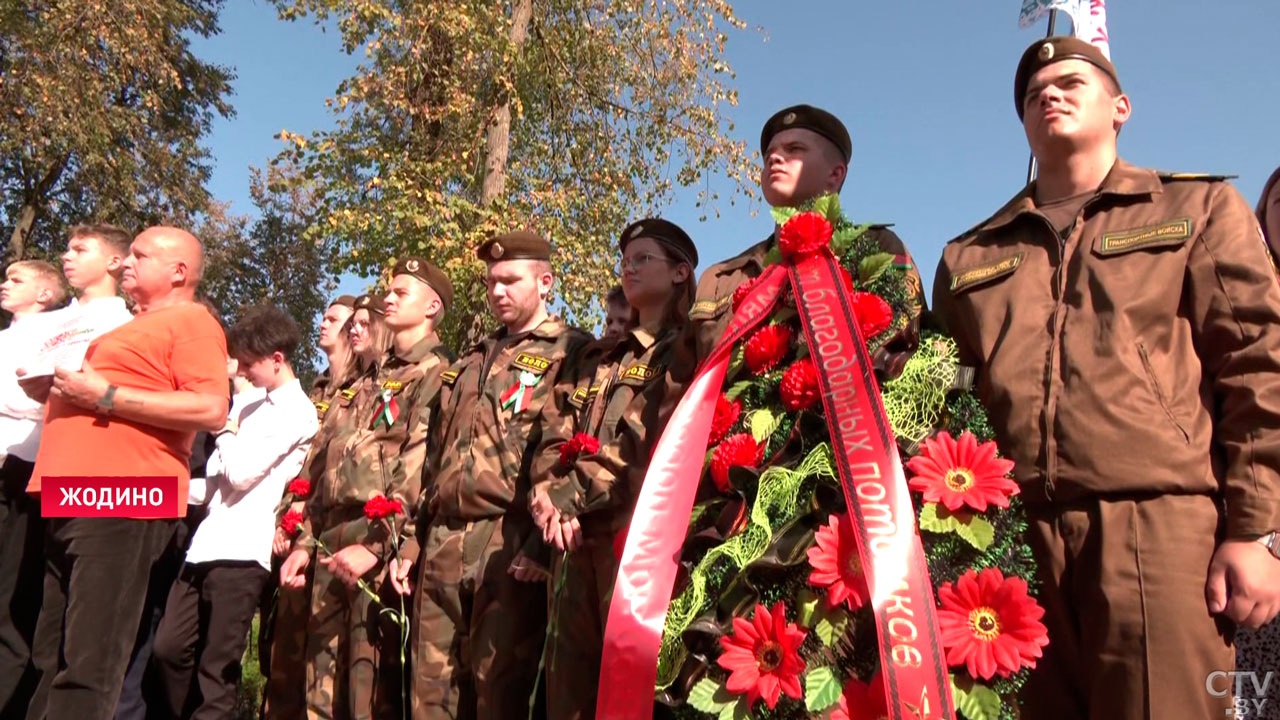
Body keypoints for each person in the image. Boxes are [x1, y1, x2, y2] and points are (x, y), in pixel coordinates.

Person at [931, 37, 1280, 720]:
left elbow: (1257, 367)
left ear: (1120, 107)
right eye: (1033, 94)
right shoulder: (969, 253)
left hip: (1159, 527)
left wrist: (1256, 531)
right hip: (1009, 545)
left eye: (1070, 82)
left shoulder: (1197, 209)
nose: (1048, 94)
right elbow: (950, 407)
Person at [22, 226, 229, 720]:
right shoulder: (125, 329)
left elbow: (211, 409)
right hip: (68, 492)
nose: (127, 262)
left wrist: (106, 397)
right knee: (48, 656)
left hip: (127, 492)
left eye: (140, 254)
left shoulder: (193, 322)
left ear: (179, 272)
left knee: (91, 662)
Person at [411, 231, 590, 720]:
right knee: (431, 696)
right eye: (491, 282)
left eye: (510, 280)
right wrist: (413, 542)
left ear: (545, 282)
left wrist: (538, 545)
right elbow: (433, 455)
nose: (497, 292)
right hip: (443, 539)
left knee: (500, 695)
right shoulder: (471, 358)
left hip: (507, 544)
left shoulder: (571, 351)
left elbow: (567, 447)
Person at [529, 219, 696, 719]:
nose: (629, 266)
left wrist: (567, 498)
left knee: (626, 695)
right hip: (571, 541)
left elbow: (644, 440)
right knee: (567, 695)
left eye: (644, 258)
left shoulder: (681, 349)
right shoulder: (595, 357)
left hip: (633, 546)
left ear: (681, 271)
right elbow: (551, 430)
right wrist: (547, 494)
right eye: (626, 258)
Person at [281, 261, 455, 719]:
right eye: (388, 290)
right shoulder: (370, 377)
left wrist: (381, 544)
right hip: (330, 535)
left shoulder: (437, 373)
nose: (389, 298)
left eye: (401, 292)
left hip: (375, 538)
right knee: (319, 685)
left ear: (432, 306)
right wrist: (304, 540)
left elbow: (420, 469)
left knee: (366, 688)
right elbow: (331, 459)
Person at [150, 305, 318, 719]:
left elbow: (241, 474)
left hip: (244, 552)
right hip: (205, 544)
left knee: (217, 668)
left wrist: (223, 429)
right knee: (168, 649)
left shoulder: (297, 412)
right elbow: (214, 484)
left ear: (277, 359)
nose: (242, 372)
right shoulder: (246, 408)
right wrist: (153, 491)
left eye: (248, 364)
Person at [688, 104, 924, 368]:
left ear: (834, 175)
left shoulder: (878, 247)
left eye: (794, 150)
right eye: (768, 154)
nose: (773, 158)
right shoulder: (719, 280)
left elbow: (907, 353)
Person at [258, 294, 355, 718]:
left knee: (324, 669)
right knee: (280, 659)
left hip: (327, 538)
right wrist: (286, 520)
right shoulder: (313, 389)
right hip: (288, 531)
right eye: (324, 314)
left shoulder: (363, 389)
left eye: (334, 318)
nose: (323, 322)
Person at [0, 260, 66, 716]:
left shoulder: (55, 333)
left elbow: (37, 397)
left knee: (10, 600)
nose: (5, 284)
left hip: (20, 470)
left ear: (44, 294)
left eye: (16, 279)